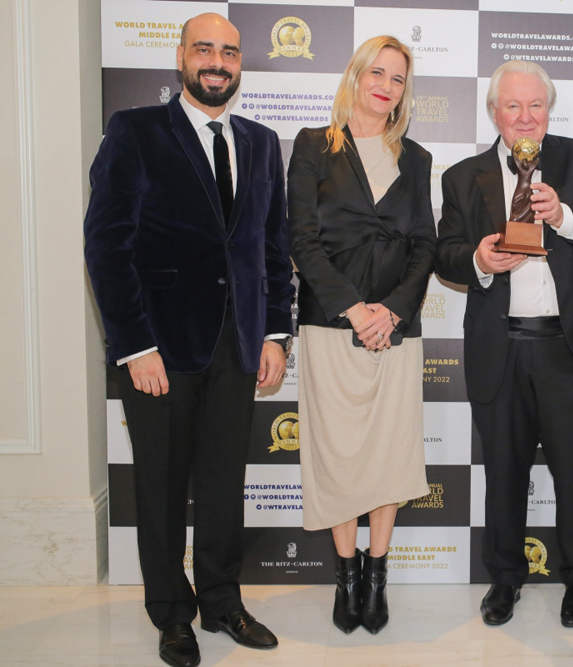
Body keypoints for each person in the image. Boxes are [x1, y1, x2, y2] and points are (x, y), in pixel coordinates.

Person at [84, 13, 293, 667]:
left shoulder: (261, 142)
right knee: (162, 487)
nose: (217, 61)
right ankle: (172, 613)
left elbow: (272, 248)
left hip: (237, 347)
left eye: (229, 51)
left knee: (224, 484)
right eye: (204, 48)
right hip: (160, 353)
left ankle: (223, 601)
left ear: (239, 65)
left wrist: (277, 332)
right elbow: (107, 243)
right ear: (180, 59)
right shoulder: (136, 131)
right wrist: (134, 343)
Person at [435, 60, 573, 628]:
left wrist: (563, 215)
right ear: (495, 113)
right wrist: (479, 261)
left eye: (535, 106)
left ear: (549, 110)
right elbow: (444, 252)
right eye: (513, 107)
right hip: (500, 349)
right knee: (503, 473)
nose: (525, 118)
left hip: (568, 350)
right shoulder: (462, 176)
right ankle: (504, 579)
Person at [287, 35, 434, 636]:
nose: (386, 85)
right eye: (377, 72)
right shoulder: (312, 147)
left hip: (396, 332)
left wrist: (392, 312)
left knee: (388, 455)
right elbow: (303, 241)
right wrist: (354, 309)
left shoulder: (417, 158)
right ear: (355, 75)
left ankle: (377, 576)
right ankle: (344, 577)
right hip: (331, 327)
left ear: (404, 93)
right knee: (340, 456)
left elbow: (425, 245)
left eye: (398, 79)